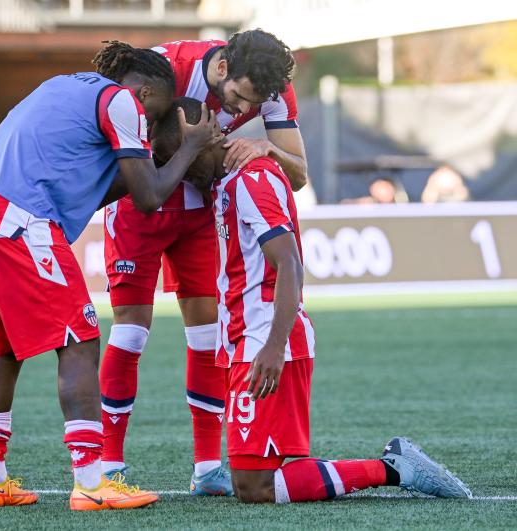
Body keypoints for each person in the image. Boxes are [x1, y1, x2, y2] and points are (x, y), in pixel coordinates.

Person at [150, 97, 472, 504]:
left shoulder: (250, 178)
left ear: (203, 138)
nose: (174, 172)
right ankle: (386, 467)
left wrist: (273, 345)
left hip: (264, 338)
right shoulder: (230, 180)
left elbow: (289, 263)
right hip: (247, 338)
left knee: (255, 487)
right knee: (268, 475)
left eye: (172, 157)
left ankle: (391, 468)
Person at [0, 42, 220, 511]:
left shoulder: (64, 85)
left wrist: (152, 155)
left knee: (7, 350)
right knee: (80, 341)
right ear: (148, 90)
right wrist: (191, 146)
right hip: (20, 218)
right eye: (158, 111)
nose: (154, 121)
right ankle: (92, 483)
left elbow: (96, 186)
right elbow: (150, 199)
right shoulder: (122, 101)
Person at [100, 29, 308, 496]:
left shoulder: (272, 89)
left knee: (208, 336)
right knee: (130, 333)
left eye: (248, 105)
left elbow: (300, 174)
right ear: (220, 70)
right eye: (237, 97)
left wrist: (269, 148)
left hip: (200, 208)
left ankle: (207, 467)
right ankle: (108, 466)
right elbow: (106, 121)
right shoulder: (165, 67)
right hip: (140, 202)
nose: (239, 112)